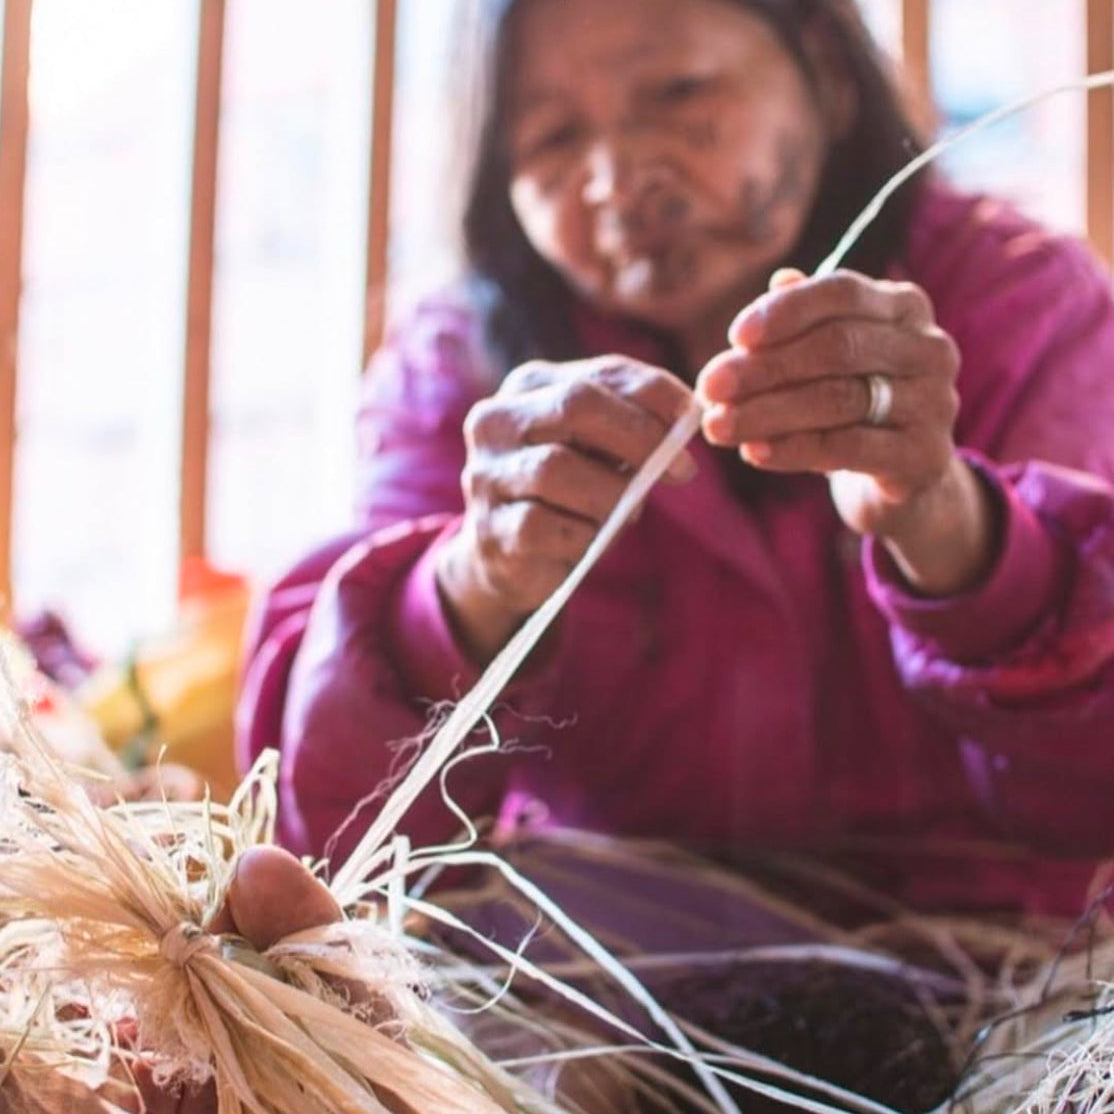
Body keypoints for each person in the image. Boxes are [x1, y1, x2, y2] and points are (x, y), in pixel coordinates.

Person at [238, 0, 1114, 923]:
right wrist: (473, 582)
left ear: (820, 67)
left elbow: (1091, 795)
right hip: (595, 997)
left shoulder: (1023, 305)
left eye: (679, 92)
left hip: (994, 976)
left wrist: (944, 518)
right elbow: (339, 839)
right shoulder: (456, 374)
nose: (620, 180)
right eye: (553, 138)